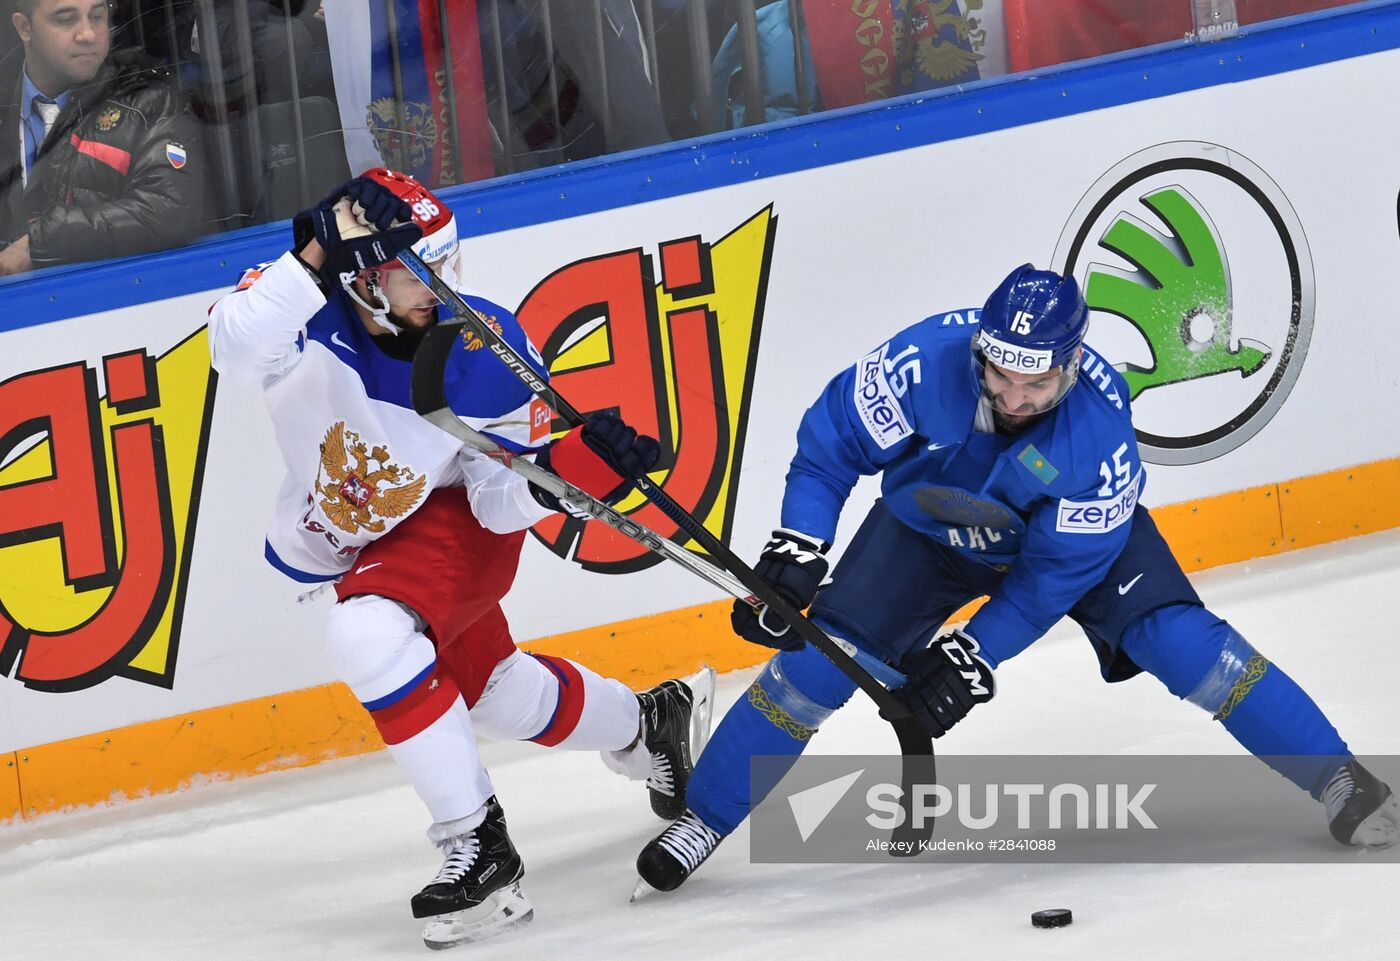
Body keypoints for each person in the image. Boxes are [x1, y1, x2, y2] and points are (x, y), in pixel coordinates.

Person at [634, 263, 1399, 893]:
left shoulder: (1098, 436)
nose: (1012, 398)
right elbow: (832, 439)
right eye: (1000, 376)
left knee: (1183, 643)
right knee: (814, 666)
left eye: (1035, 386)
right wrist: (800, 544)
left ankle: (1338, 777)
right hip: (926, 525)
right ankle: (705, 815)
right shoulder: (925, 362)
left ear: (1069, 366)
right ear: (982, 349)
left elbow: (1047, 577)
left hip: (1057, 545)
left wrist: (975, 654)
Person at [208, 168, 714, 948]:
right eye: (419, 271)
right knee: (494, 695)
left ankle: (478, 847)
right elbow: (233, 353)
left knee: (369, 635)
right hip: (357, 536)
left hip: (451, 529)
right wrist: (314, 252)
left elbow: (495, 498)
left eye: (447, 265)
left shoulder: (485, 349)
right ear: (360, 271)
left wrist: (566, 476)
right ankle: (648, 723)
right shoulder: (298, 306)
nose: (438, 288)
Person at [0, 0, 201, 275]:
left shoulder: (146, 99)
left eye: (97, 16)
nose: (88, 35)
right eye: (66, 19)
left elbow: (170, 209)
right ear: (24, 27)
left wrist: (38, 244)